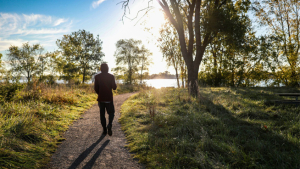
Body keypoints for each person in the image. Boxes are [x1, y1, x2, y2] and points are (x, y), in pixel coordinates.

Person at [94, 63, 117, 136]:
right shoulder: (111, 76)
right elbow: (114, 87)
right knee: (111, 113)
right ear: (107, 68)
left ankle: (104, 129)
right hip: (109, 98)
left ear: (101, 68)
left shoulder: (97, 77)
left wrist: (100, 93)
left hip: (101, 98)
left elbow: (95, 88)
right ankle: (109, 124)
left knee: (102, 114)